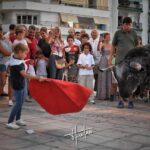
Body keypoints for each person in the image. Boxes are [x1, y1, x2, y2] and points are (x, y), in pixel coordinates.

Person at [6, 43, 45, 129]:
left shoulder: (15, 57)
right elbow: (25, 75)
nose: (26, 55)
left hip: (22, 83)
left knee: (21, 102)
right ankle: (10, 122)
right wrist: (38, 77)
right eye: (25, 53)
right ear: (19, 52)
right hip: (18, 85)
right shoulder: (17, 64)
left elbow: (15, 53)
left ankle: (18, 119)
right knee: (18, 103)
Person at [109, 17, 138, 108]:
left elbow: (137, 46)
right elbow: (113, 46)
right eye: (127, 24)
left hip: (132, 61)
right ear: (123, 25)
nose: (128, 26)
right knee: (121, 81)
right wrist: (110, 58)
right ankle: (121, 101)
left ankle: (130, 101)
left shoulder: (134, 33)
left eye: (130, 24)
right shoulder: (118, 33)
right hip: (120, 61)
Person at [96, 33, 112, 100]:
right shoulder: (102, 44)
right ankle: (102, 95)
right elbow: (98, 50)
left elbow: (113, 53)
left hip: (109, 61)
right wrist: (99, 41)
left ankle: (108, 95)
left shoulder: (111, 45)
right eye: (107, 37)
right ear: (104, 38)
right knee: (102, 77)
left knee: (109, 77)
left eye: (109, 37)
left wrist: (111, 61)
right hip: (103, 61)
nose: (108, 38)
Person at [0, 26, 12, 103]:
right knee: (3, 82)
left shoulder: (6, 40)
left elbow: (11, 49)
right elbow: (6, 52)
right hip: (1, 64)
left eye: (1, 32)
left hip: (6, 63)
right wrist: (13, 54)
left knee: (2, 82)